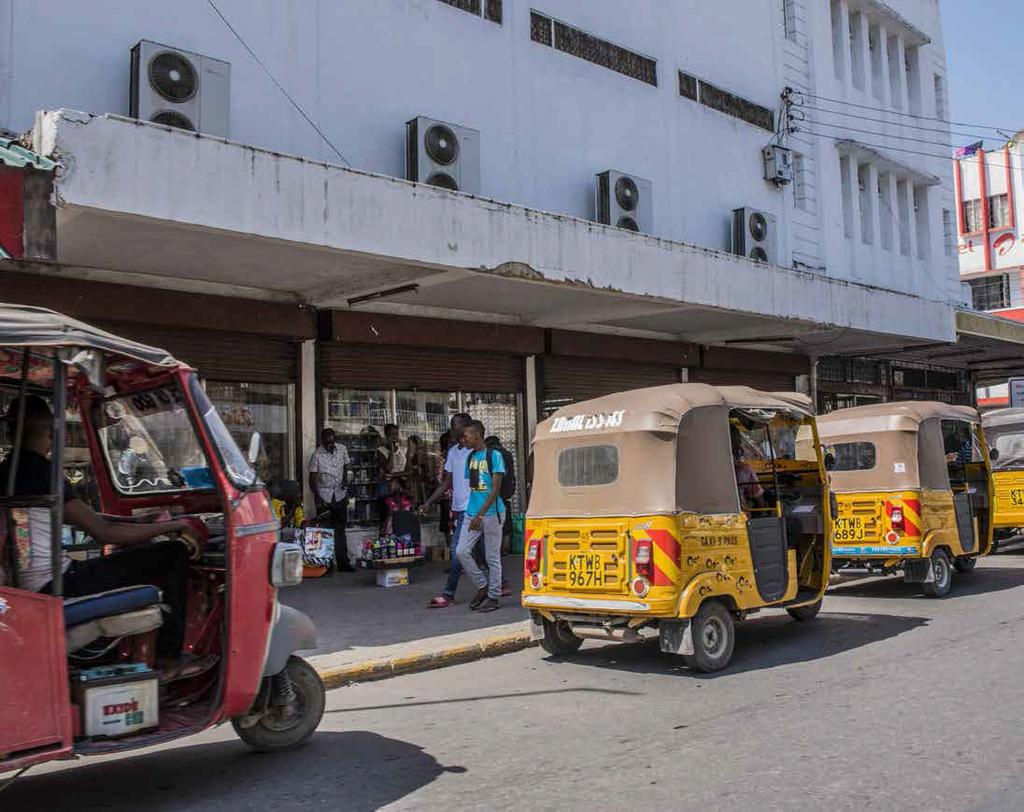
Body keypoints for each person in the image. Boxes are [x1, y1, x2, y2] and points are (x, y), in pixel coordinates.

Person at [0, 396, 207, 678]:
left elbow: (93, 521)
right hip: (58, 585)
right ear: (49, 433)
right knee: (173, 554)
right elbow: (103, 532)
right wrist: (174, 526)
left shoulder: (8, 471)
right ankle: (168, 658)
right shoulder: (41, 472)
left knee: (125, 559)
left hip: (25, 588)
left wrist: (139, 522)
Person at [421, 412, 474, 608]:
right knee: (483, 552)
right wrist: (429, 502)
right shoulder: (453, 453)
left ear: (465, 427)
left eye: (455, 424)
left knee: (457, 550)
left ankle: (449, 593)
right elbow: (446, 483)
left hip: (473, 509)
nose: (452, 428)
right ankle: (498, 584)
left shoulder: (475, 452)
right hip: (460, 509)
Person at [456, 420, 505, 613]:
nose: (463, 439)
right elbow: (476, 488)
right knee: (462, 551)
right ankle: (482, 586)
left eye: (466, 436)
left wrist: (480, 515)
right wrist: (472, 514)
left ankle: (494, 596)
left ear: (477, 435)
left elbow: (495, 490)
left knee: (492, 556)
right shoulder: (471, 458)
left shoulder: (495, 456)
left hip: (492, 514)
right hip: (473, 513)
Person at [308, 427, 354, 572]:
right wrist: (317, 497)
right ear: (322, 441)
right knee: (324, 530)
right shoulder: (317, 455)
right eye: (327, 443)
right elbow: (312, 479)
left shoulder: (342, 449)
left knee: (340, 530)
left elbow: (347, 467)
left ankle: (343, 563)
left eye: (332, 443)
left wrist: (347, 481)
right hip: (324, 495)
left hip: (340, 494)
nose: (330, 446)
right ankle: (325, 564)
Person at [731, 426, 765, 513]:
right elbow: (759, 501)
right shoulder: (743, 470)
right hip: (740, 518)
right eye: (738, 441)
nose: (739, 444)